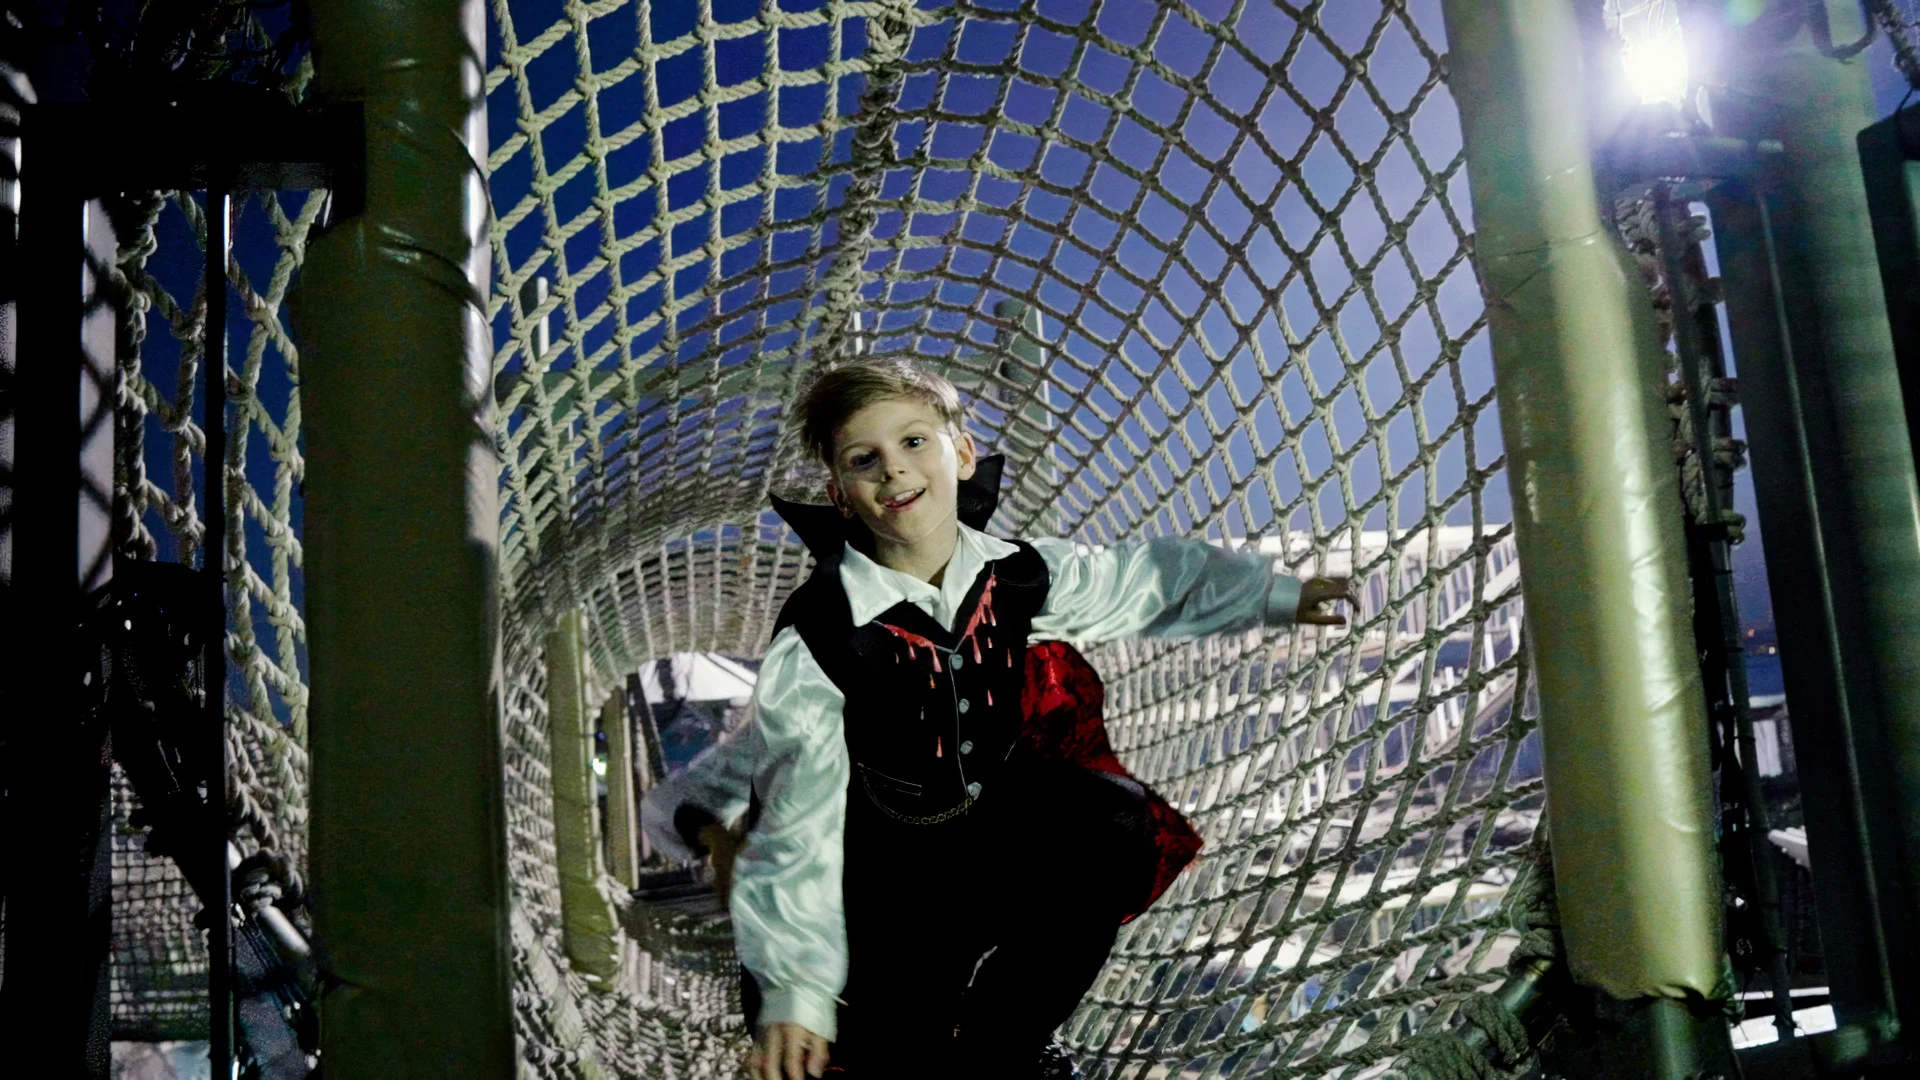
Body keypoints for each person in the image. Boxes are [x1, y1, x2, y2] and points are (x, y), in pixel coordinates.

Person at [736, 359, 1352, 1080]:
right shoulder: (819, 632)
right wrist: (794, 990)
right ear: (840, 495)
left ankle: (1005, 1040)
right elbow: (794, 818)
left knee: (1113, 823)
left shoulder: (1019, 574)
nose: (894, 470)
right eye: (863, 459)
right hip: (882, 874)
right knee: (894, 1041)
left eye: (914, 442)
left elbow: (1142, 582)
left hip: (994, 832)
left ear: (962, 454)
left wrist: (1274, 595)